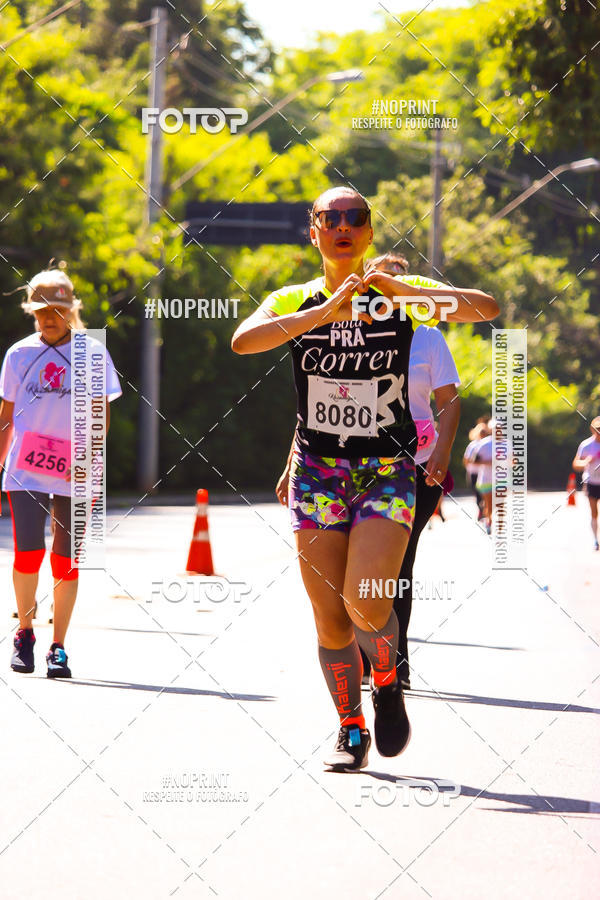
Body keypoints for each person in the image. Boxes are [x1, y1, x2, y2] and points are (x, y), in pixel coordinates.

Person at [231, 186, 498, 772]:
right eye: (331, 219)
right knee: (328, 615)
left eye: (356, 218)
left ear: (370, 231)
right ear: (315, 232)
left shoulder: (398, 300)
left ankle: (388, 680)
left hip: (386, 469)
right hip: (318, 472)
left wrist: (402, 290)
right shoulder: (294, 298)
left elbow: (486, 308)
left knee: (364, 602)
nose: (343, 226)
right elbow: (243, 341)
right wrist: (320, 315)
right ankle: (350, 729)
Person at [275, 251, 462, 691]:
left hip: (410, 464)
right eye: (376, 280)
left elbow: (449, 401)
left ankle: (393, 666)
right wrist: (291, 463)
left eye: (396, 281)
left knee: (396, 572)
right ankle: (363, 676)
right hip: (333, 466)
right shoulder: (337, 329)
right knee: (342, 591)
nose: (384, 288)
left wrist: (443, 454)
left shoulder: (426, 336)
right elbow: (315, 411)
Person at [0, 268, 122, 677]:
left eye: (57, 309)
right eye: (41, 311)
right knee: (28, 553)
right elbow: (6, 417)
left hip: (74, 471)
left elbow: (101, 416)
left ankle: (58, 647)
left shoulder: (92, 353)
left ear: (72, 310)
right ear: (31, 312)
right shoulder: (19, 354)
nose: (49, 317)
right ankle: (25, 633)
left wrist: (88, 461)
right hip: (25, 471)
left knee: (66, 560)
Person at [572, 416, 600, 550]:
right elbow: (576, 464)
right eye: (597, 429)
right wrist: (586, 462)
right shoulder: (586, 445)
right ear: (592, 429)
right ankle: (595, 540)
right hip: (591, 481)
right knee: (594, 512)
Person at [463, 421, 489, 520]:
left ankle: (486, 511)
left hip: (485, 472)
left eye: (484, 432)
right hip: (473, 472)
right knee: (477, 493)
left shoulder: (488, 444)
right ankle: (481, 509)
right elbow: (466, 460)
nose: (483, 434)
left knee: (485, 492)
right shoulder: (473, 445)